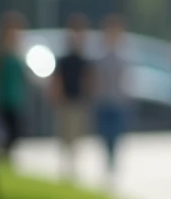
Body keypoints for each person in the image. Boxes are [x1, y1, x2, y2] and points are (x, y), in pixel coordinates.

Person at [50, 13, 94, 182]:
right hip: (66, 100)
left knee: (76, 136)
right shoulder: (64, 59)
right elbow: (57, 79)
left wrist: (88, 96)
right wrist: (56, 96)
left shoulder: (84, 59)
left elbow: (88, 80)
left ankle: (73, 167)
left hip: (78, 101)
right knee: (64, 135)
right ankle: (65, 168)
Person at [93, 14, 131, 183]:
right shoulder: (99, 56)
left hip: (118, 101)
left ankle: (113, 159)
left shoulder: (125, 56)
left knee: (116, 134)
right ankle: (108, 158)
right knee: (104, 133)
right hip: (104, 100)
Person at [0, 11, 29, 161]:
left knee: (16, 132)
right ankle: (3, 156)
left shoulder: (18, 50)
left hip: (16, 97)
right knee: (6, 131)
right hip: (2, 97)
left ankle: (5, 156)